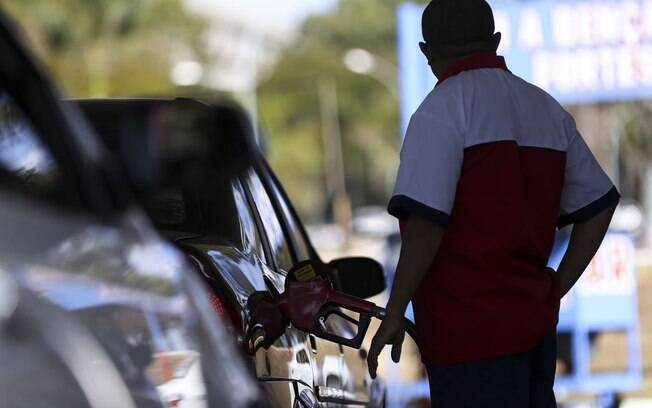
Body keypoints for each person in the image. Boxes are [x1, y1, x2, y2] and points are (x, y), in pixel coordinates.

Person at [366, 0, 619, 406]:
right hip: (533, 329)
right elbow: (599, 204)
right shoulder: (546, 109)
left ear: (426, 52)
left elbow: (427, 225)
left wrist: (395, 310)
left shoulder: (440, 111)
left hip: (466, 337)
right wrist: (554, 287)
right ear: (496, 42)